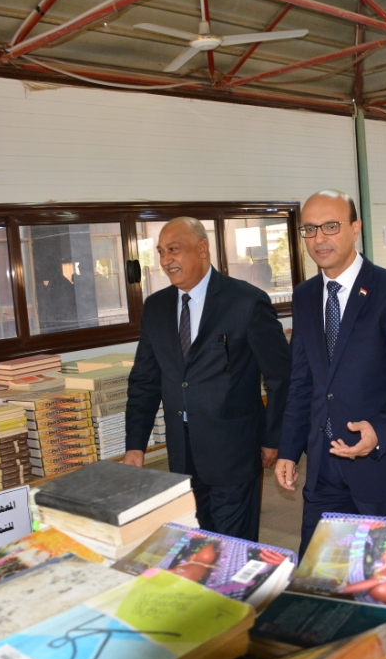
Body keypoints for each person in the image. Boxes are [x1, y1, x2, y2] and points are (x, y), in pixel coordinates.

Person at [276, 190, 386, 560]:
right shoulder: (305, 296)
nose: (319, 238)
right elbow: (302, 382)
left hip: (383, 467)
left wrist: (379, 430)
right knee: (321, 572)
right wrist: (289, 450)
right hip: (323, 467)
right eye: (310, 229)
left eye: (331, 226)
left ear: (356, 228)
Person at [124, 217, 291, 542]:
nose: (166, 260)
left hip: (235, 449)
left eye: (174, 249)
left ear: (202, 249)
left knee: (233, 546)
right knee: (197, 544)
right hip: (182, 451)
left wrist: (274, 438)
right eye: (161, 252)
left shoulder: (245, 301)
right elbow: (144, 380)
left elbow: (281, 377)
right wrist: (135, 444)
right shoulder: (156, 308)